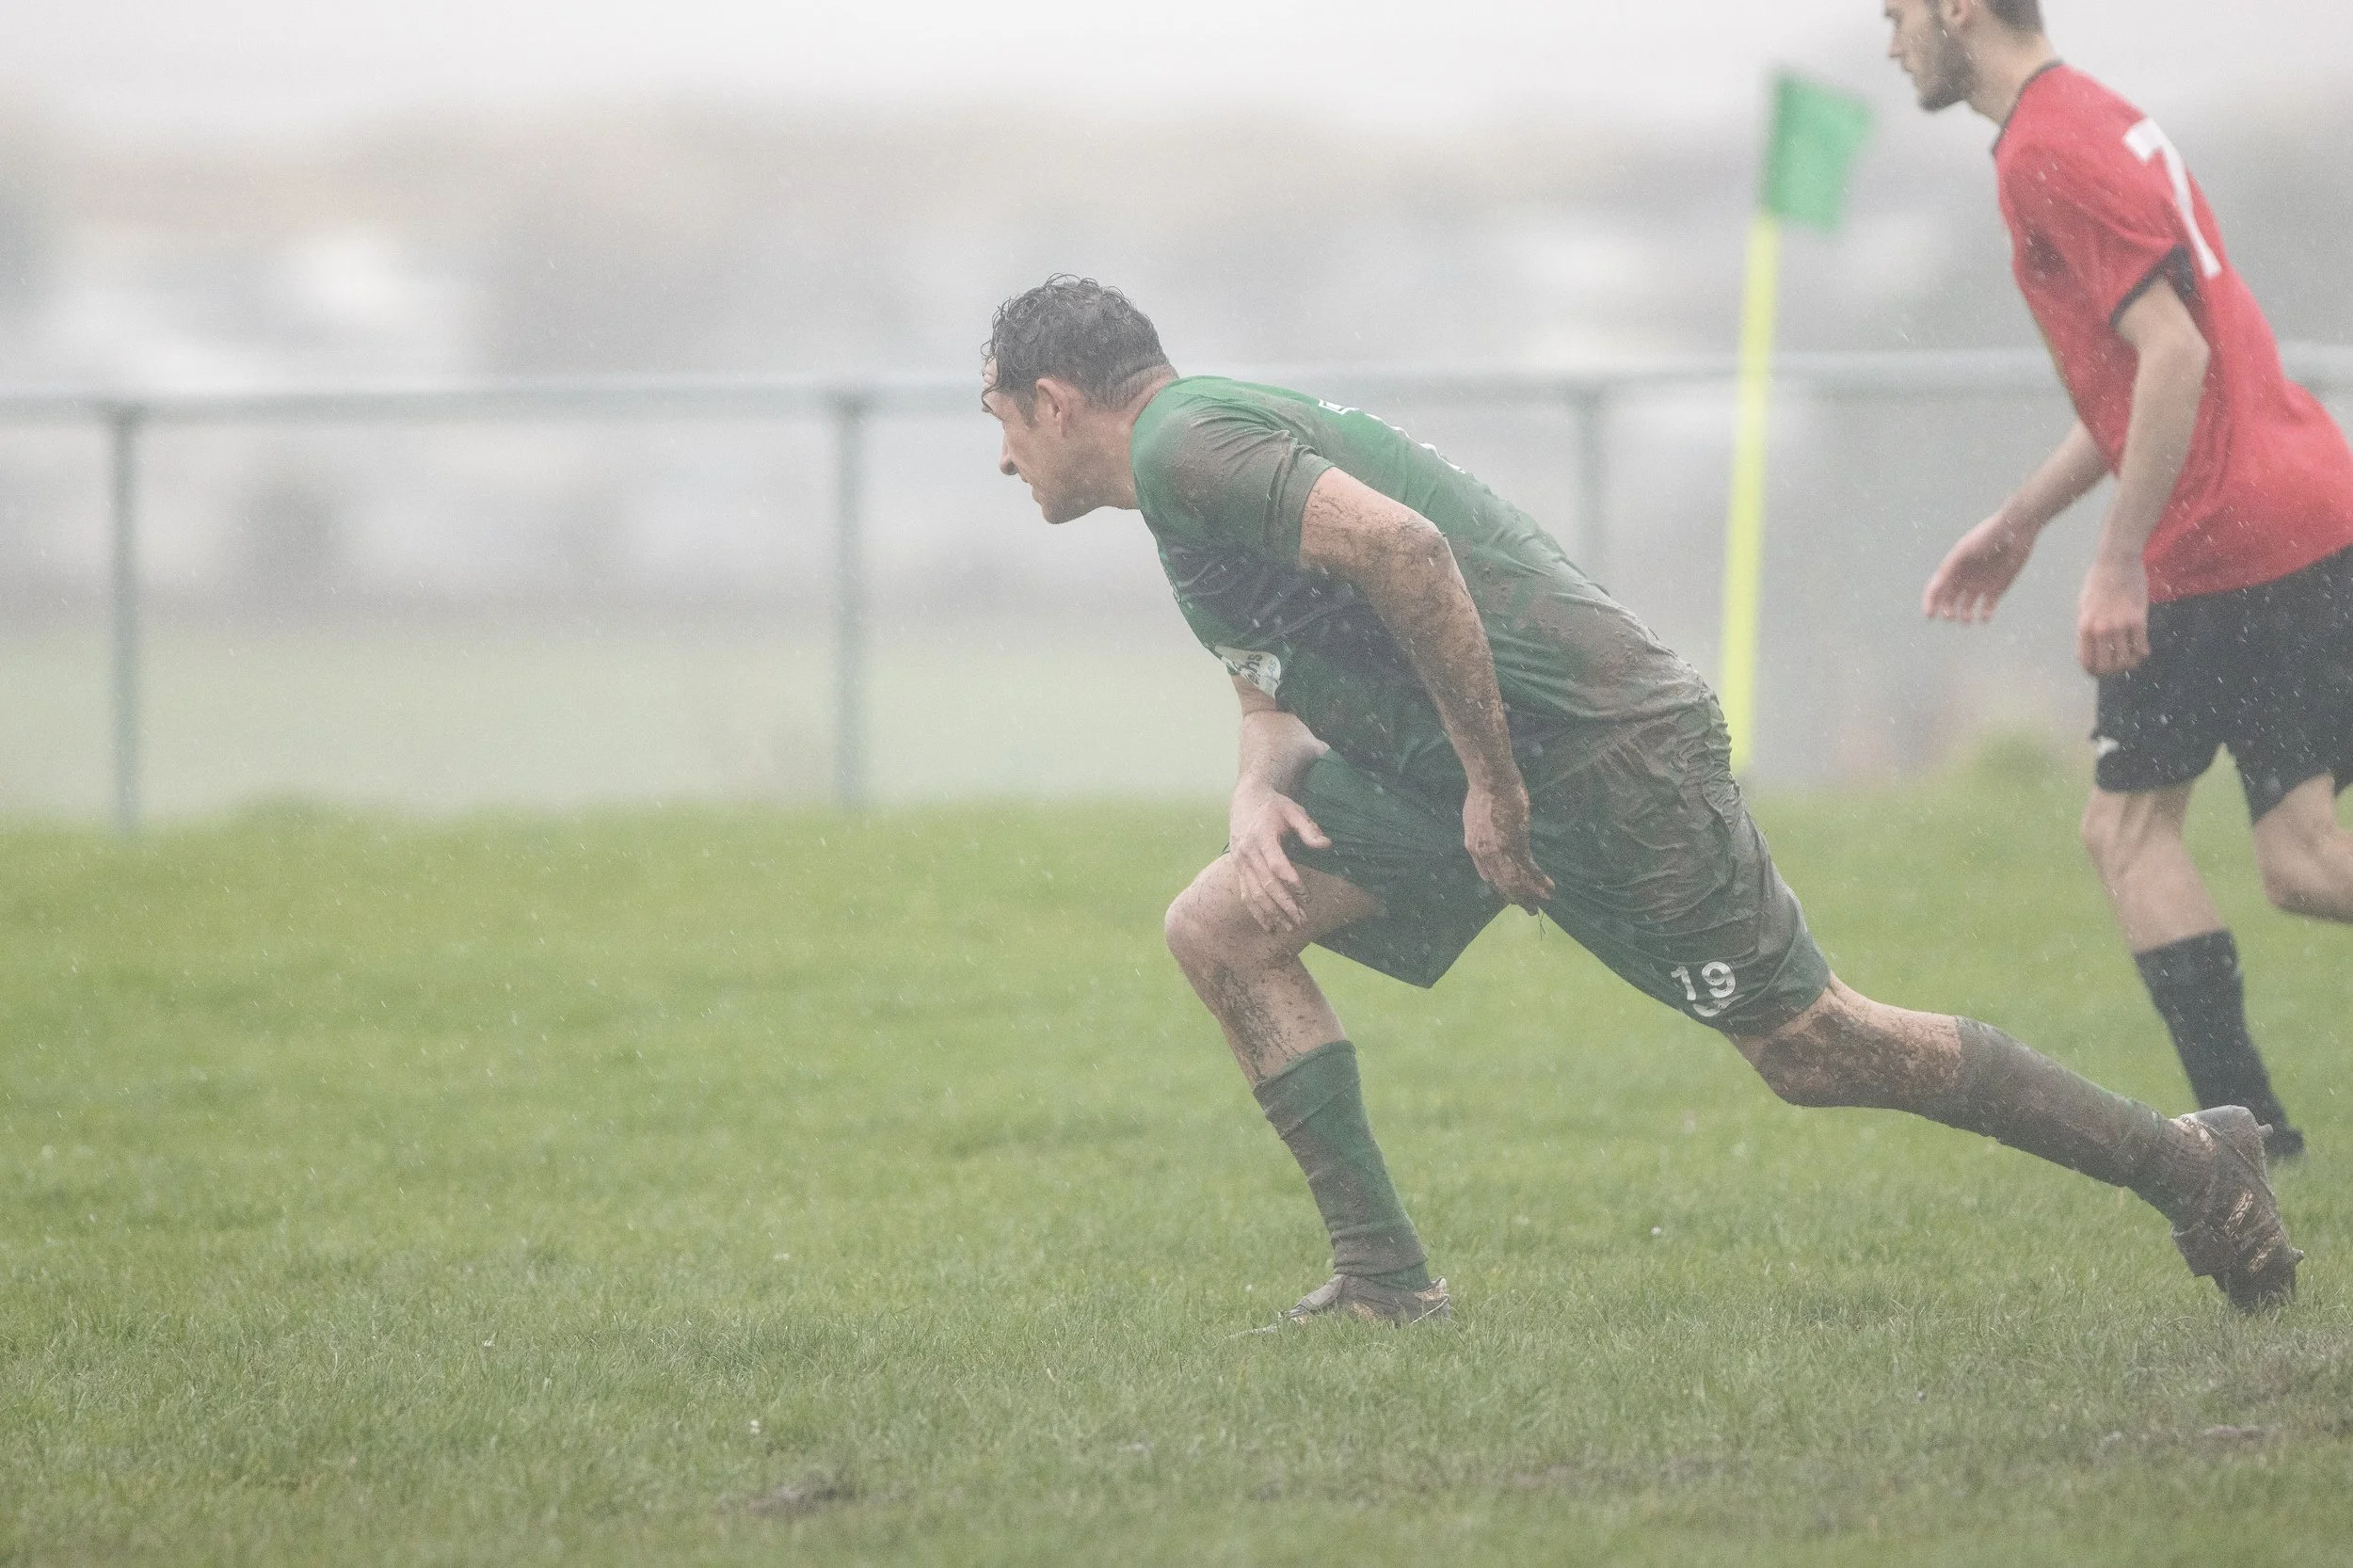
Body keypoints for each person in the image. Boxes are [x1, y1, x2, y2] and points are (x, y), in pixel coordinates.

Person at [978, 274, 2299, 1321]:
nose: (1000, 461)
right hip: (1457, 774)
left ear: (1051, 399)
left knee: (1815, 1048)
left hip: (1594, 758)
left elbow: (1405, 547)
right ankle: (1384, 1281)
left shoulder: (1188, 446)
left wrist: (1497, 784)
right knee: (1222, 925)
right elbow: (1269, 674)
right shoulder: (1181, 479)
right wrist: (1260, 784)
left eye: (996, 422)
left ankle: (2192, 1168)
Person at [1891, 0, 2353, 1160]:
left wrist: (2115, 566)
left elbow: (2176, 356)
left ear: (1956, 9)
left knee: (2127, 830)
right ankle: (2263, 1140)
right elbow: (2145, 377)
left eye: (1893, 12)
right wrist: (2022, 520)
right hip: (2304, 500)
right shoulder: (2093, 113)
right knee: (2301, 861)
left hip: (2222, 541)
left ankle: (2251, 1146)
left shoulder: (2047, 149)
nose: (1887, 40)